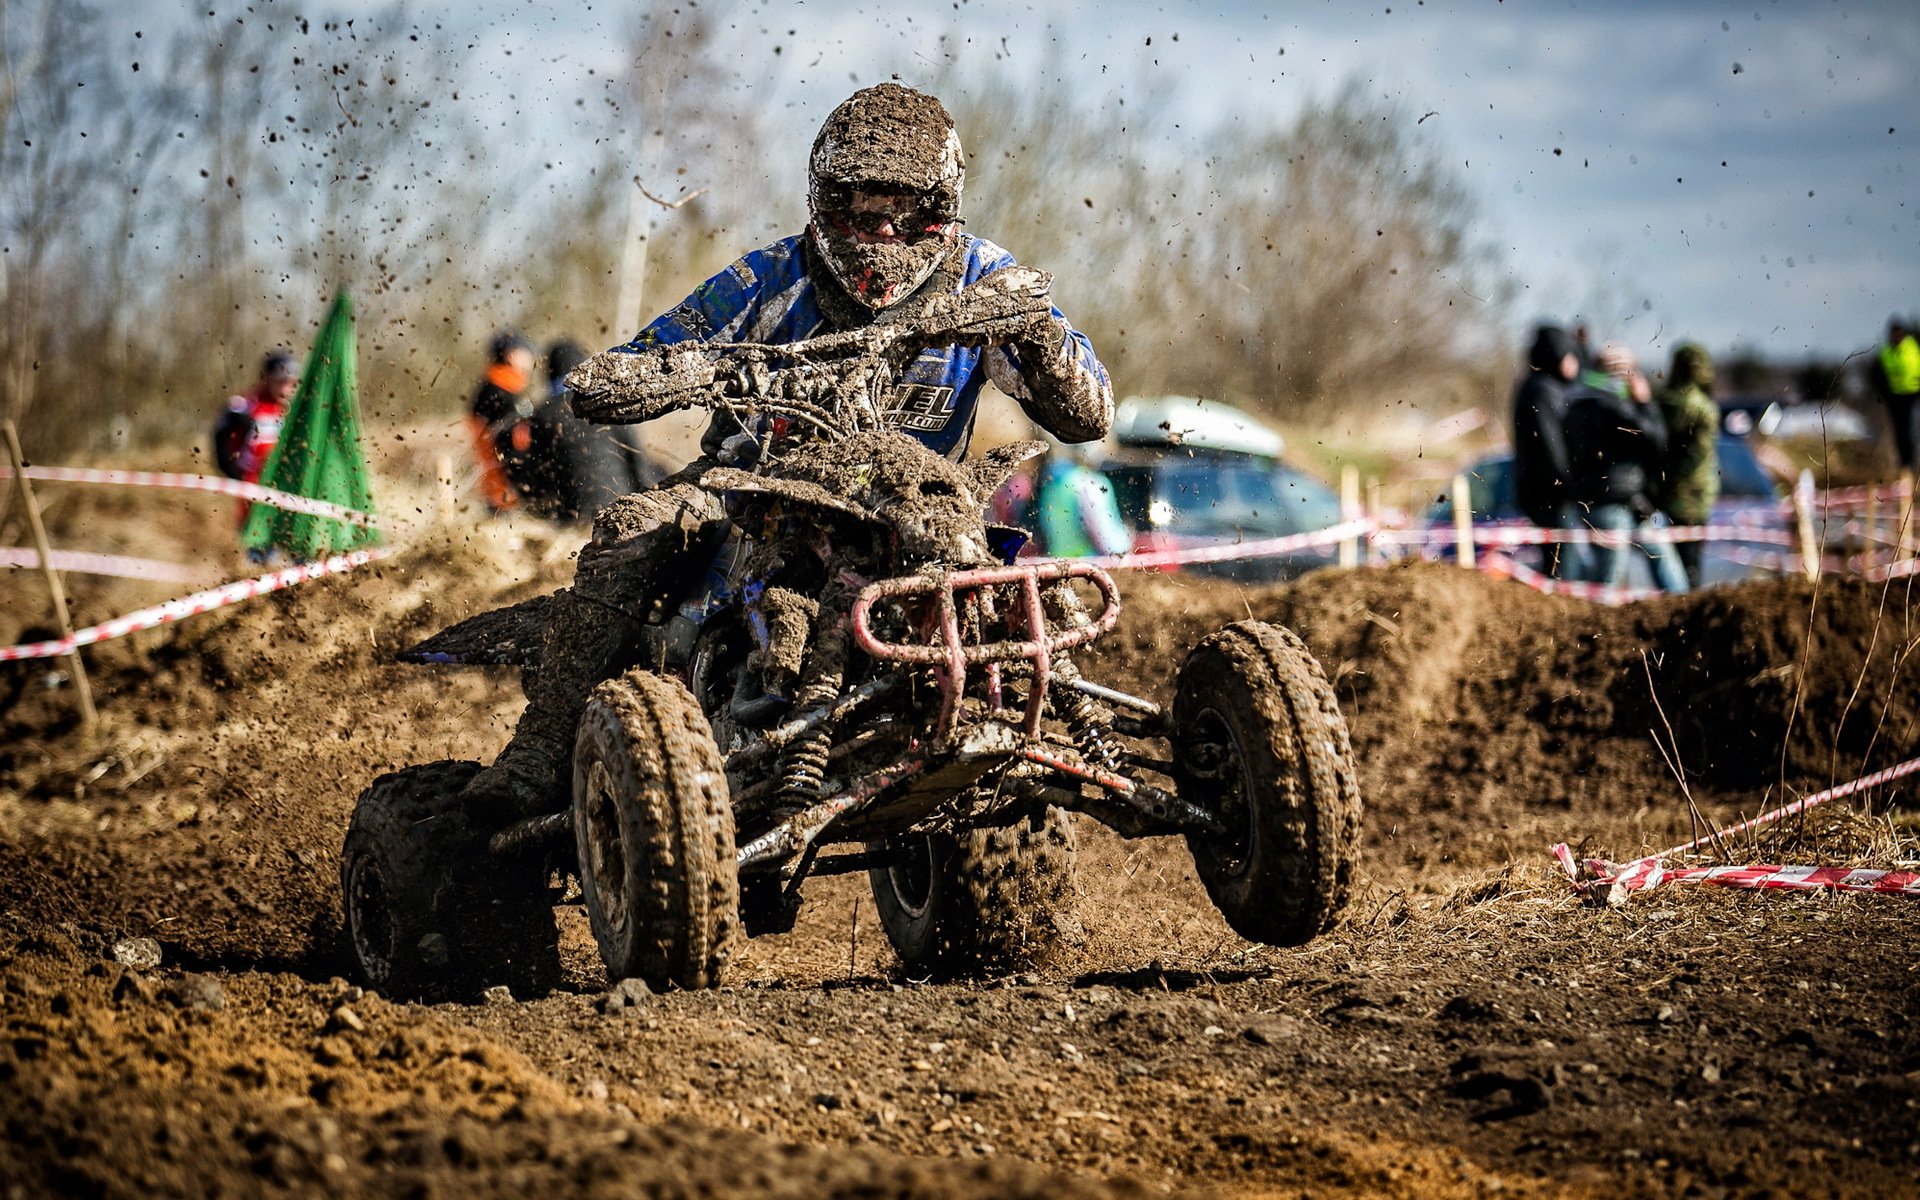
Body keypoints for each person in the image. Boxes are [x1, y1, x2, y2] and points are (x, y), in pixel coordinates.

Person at [460, 83, 1113, 822]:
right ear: (822, 200)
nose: (883, 234)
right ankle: (541, 749)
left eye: (905, 209)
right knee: (631, 529)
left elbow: (1089, 414)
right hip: (750, 489)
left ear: (943, 203)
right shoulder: (769, 279)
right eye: (859, 208)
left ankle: (1077, 727)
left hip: (923, 496)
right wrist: (688, 369)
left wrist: (1041, 338)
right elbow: (618, 373)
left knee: (1014, 576)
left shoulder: (985, 278)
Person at [1563, 345, 1688, 592]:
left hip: (1624, 502)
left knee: (1658, 564)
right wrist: (1645, 404)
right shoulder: (1614, 406)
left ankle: (1683, 612)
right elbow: (1656, 440)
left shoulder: (1581, 401)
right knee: (1609, 581)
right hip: (1616, 501)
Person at [1510, 324, 1588, 579]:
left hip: (1546, 491)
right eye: (1570, 355)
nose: (1574, 362)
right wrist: (1571, 484)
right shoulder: (1542, 391)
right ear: (1558, 356)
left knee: (1559, 565)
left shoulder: (1540, 387)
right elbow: (1551, 446)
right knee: (1564, 571)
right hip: (1552, 494)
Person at [1651, 343, 1720, 587]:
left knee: (1672, 567)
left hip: (1664, 494)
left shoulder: (1662, 401)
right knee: (1689, 568)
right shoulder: (1702, 407)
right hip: (1693, 496)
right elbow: (1699, 455)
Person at [468, 331, 536, 514]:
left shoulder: (489, 388)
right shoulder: (503, 393)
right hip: (507, 497)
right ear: (512, 355)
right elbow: (516, 445)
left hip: (494, 491)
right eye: (527, 352)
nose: (531, 359)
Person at [213, 350, 299, 488]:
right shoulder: (243, 404)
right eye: (281, 382)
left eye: (291, 383)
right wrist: (232, 472)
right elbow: (220, 438)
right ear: (267, 379)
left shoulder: (291, 410)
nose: (286, 390)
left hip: (282, 481)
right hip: (251, 481)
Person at [1034, 438, 1131, 558]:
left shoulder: (1054, 484)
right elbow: (1104, 537)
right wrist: (1126, 541)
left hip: (1059, 565)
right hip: (1090, 566)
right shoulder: (1090, 484)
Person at [1870, 317, 1920, 472]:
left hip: (1912, 396)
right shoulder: (1885, 352)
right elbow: (1876, 374)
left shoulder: (1913, 347)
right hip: (1894, 398)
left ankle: (1911, 465)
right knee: (1900, 432)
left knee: (1911, 430)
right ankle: (1905, 465)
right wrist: (1884, 393)